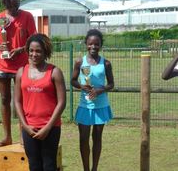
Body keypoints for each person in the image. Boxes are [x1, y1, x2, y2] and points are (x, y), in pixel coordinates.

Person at [0, 0, 36, 147]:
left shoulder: (27, 17)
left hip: (21, 66)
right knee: (4, 99)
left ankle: (24, 137)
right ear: (4, 1)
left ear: (19, 0)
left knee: (21, 101)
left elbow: (33, 40)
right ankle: (7, 137)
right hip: (2, 65)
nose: (13, 2)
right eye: (10, 0)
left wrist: (21, 49)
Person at [14, 33, 66, 171]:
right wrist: (25, 126)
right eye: (31, 50)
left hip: (50, 128)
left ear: (45, 52)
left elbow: (62, 103)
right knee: (34, 165)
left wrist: (48, 127)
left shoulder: (55, 72)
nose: (34, 54)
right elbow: (17, 101)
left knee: (49, 165)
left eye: (38, 51)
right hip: (29, 128)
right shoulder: (21, 72)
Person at [71, 29, 114, 171]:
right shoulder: (79, 62)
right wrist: (82, 86)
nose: (93, 47)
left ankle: (94, 168)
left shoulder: (106, 63)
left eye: (97, 44)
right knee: (83, 139)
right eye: (90, 44)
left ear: (101, 45)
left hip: (100, 106)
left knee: (97, 139)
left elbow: (111, 84)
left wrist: (100, 89)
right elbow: (73, 81)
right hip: (85, 105)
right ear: (86, 44)